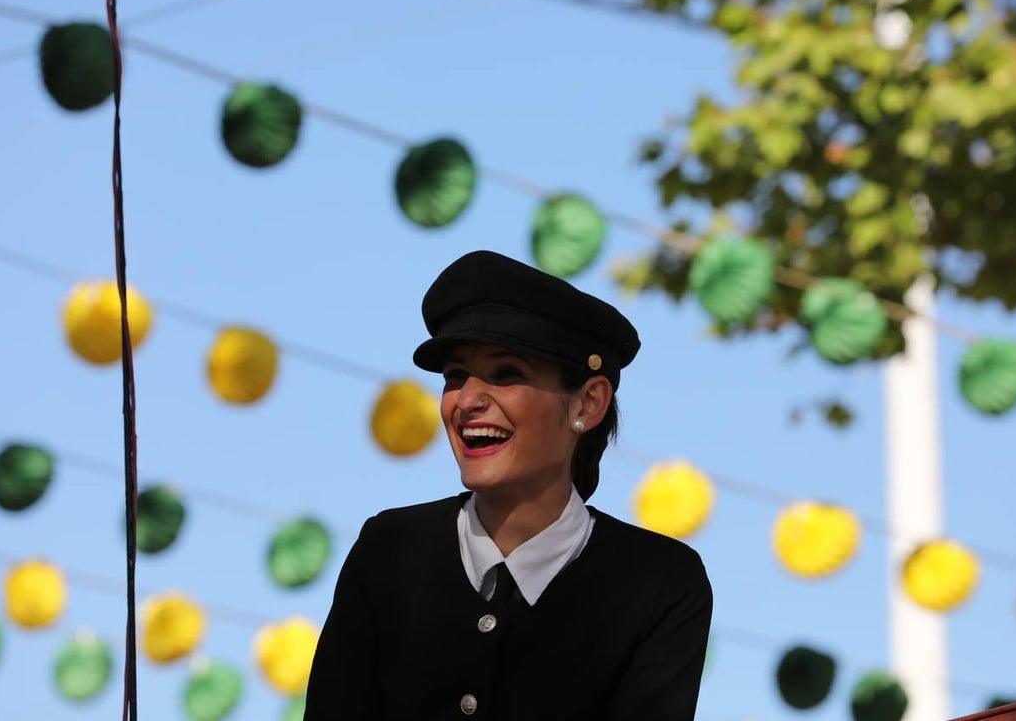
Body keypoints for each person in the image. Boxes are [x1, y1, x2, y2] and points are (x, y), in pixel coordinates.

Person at [305, 250, 713, 721]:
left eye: (507, 374)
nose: (468, 400)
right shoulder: (389, 549)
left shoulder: (659, 584)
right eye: (456, 376)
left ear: (588, 401)